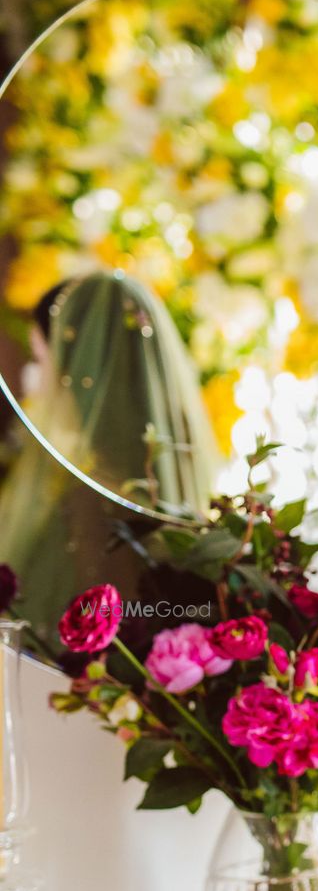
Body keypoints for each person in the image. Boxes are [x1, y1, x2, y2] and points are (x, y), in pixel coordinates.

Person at [0, 269, 221, 641]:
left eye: (41, 360)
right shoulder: (165, 489)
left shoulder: (84, 497)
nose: (32, 381)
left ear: (80, 371)